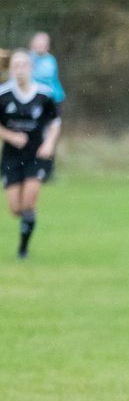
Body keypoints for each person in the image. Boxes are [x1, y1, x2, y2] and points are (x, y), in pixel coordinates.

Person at [0, 50, 61, 260]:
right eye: (15, 66)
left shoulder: (44, 94)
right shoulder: (3, 94)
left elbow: (55, 122)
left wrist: (49, 143)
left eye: (23, 65)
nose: (19, 70)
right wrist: (10, 136)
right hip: (11, 157)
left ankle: (23, 249)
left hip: (36, 154)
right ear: (11, 69)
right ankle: (26, 221)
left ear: (31, 68)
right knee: (15, 208)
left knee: (28, 203)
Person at [28, 32, 65, 105]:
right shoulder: (29, 57)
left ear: (47, 46)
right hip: (35, 97)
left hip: (53, 97)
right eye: (37, 43)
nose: (39, 46)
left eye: (42, 44)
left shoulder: (50, 60)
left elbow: (44, 75)